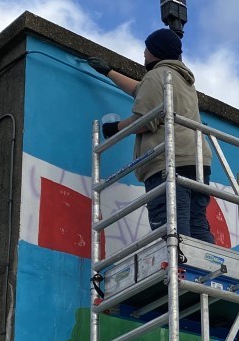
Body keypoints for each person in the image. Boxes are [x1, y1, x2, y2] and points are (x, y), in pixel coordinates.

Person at [88, 28, 215, 244]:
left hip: (168, 161)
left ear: (156, 51)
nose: (144, 53)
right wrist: (108, 72)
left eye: (146, 48)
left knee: (172, 224)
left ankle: (178, 268)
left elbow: (145, 120)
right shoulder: (182, 80)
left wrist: (116, 128)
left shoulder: (156, 75)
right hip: (197, 161)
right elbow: (141, 90)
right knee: (196, 223)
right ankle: (205, 271)